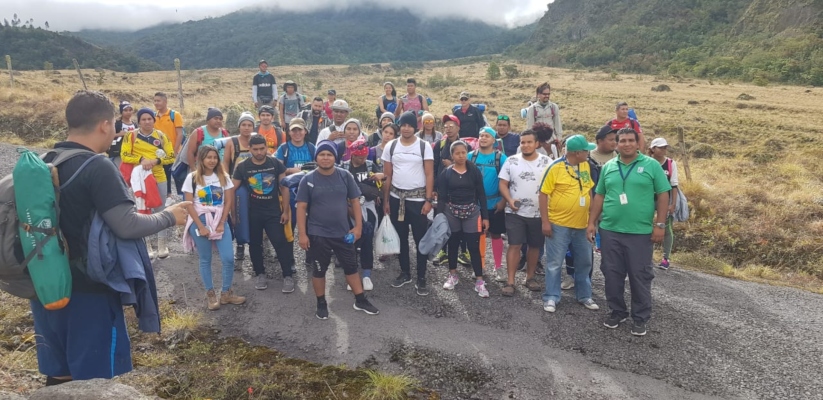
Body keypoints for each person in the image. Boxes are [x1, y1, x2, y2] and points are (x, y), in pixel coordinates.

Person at [32, 90, 189, 385]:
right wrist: (171, 216)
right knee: (93, 381)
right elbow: (126, 225)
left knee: (59, 375)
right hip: (89, 292)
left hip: (46, 285)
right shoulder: (98, 166)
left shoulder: (46, 160)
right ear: (105, 125)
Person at [587, 128, 671, 336]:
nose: (626, 144)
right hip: (609, 230)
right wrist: (591, 223)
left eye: (630, 140)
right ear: (616, 144)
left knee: (639, 275)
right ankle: (617, 311)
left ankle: (640, 317)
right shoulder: (609, 167)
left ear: (637, 143)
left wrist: (660, 225)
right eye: (622, 141)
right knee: (611, 273)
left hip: (640, 233)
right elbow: (599, 196)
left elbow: (663, 195)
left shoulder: (651, 166)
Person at [296, 140, 380, 319]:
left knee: (351, 267)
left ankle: (360, 300)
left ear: (335, 157)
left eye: (329, 155)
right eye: (322, 154)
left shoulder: (345, 176)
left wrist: (358, 227)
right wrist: (302, 235)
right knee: (319, 270)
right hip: (318, 234)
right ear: (316, 157)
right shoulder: (308, 179)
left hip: (343, 233)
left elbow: (355, 201)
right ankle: (321, 302)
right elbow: (301, 208)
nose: (325, 158)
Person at [539, 135, 600, 313]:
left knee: (584, 261)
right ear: (577, 152)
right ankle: (551, 297)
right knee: (554, 263)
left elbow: (588, 191)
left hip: (582, 225)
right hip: (559, 224)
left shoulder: (585, 165)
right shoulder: (555, 167)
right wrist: (545, 222)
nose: (589, 153)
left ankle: (584, 296)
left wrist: (591, 221)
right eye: (586, 150)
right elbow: (543, 194)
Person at [182, 145, 245, 310]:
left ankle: (226, 293)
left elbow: (228, 202)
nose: (212, 160)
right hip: (199, 219)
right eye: (208, 157)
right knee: (205, 258)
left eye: (215, 157)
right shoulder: (192, 178)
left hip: (219, 219)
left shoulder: (223, 177)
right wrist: (201, 226)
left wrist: (222, 222)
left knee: (228, 258)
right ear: (201, 159)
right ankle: (210, 294)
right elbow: (188, 204)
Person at [232, 135, 296, 293]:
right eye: (256, 149)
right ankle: (260, 274)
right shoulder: (242, 167)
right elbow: (231, 190)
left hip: (273, 211)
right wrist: (234, 215)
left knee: (280, 242)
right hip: (253, 213)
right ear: (250, 149)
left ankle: (287, 276)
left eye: (262, 148)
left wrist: (286, 211)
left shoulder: (275, 163)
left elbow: (284, 187)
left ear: (266, 148)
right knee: (254, 245)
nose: (259, 152)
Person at [382, 111, 435, 296]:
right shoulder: (391, 145)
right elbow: (387, 175)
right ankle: (405, 272)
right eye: (403, 125)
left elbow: (429, 174)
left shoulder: (424, 146)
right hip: (397, 199)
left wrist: (428, 201)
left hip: (418, 200)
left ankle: (421, 277)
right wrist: (386, 200)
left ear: (415, 127)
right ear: (399, 126)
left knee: (421, 240)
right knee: (401, 238)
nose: (406, 128)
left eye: (410, 125)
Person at [498, 129, 552, 296]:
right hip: (515, 212)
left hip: (538, 213)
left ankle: (530, 277)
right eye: (522, 142)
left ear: (537, 144)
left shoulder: (547, 162)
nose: (525, 145)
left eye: (529, 142)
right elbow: (503, 184)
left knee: (535, 246)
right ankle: (510, 281)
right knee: (514, 244)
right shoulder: (511, 161)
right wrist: (509, 199)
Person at [120, 107, 176, 259]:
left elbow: (171, 156)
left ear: (154, 120)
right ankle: (147, 245)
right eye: (143, 119)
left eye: (149, 119)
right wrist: (141, 160)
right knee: (142, 211)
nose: (146, 122)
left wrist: (156, 161)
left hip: (159, 177)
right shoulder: (131, 136)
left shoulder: (161, 136)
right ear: (138, 121)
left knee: (160, 210)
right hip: (140, 179)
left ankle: (162, 245)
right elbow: (124, 155)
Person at [437, 140, 490, 297]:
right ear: (452, 155)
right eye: (457, 153)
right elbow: (442, 197)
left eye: (463, 152)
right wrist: (439, 217)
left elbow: (481, 194)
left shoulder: (474, 171)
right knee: (452, 244)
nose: (461, 156)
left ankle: (479, 281)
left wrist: (485, 217)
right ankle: (453, 274)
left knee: (473, 246)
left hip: (472, 212)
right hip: (451, 212)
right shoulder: (446, 173)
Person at [341, 138, 384, 291]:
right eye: (359, 157)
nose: (362, 159)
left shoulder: (370, 164)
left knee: (368, 236)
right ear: (352, 154)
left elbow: (383, 178)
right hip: (349, 206)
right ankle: (352, 274)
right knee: (351, 239)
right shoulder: (344, 167)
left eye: (364, 156)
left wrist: (381, 176)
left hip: (369, 205)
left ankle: (366, 274)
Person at [468, 127, 508, 282]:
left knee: (496, 235)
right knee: (479, 234)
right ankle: (480, 265)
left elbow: (507, 181)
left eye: (486, 136)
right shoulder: (471, 156)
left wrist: (503, 201)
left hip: (495, 203)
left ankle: (498, 266)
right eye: (480, 135)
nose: (483, 138)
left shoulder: (501, 158)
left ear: (493, 140)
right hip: (476, 204)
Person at [648, 137, 680, 270]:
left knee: (667, 229)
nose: (663, 150)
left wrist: (673, 204)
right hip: (648, 200)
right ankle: (647, 256)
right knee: (647, 227)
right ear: (653, 149)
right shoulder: (646, 162)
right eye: (660, 147)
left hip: (665, 200)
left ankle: (666, 258)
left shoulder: (671, 163)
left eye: (665, 147)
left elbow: (674, 185)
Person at [153, 92, 184, 197]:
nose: (156, 103)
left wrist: (175, 151)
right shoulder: (153, 116)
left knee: (173, 173)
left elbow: (180, 134)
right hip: (158, 151)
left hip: (173, 150)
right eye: (155, 101)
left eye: (158, 100)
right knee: (161, 173)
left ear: (165, 101)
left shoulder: (174, 115)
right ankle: (164, 195)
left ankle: (176, 195)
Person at [108, 101, 134, 167]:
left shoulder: (135, 124)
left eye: (130, 110)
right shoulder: (117, 124)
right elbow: (108, 135)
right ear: (121, 112)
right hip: (118, 153)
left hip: (132, 153)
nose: (128, 112)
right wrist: (119, 134)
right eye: (125, 110)